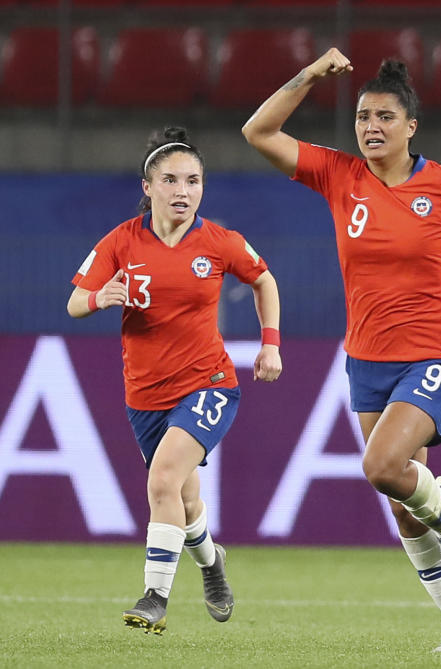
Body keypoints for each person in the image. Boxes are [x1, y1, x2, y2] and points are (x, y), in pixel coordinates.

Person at [242, 50, 441, 652]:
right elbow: (258, 132)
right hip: (366, 359)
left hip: (438, 352)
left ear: (411, 126)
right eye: (363, 116)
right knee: (400, 503)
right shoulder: (339, 175)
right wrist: (310, 75)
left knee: (382, 467)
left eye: (385, 116)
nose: (371, 127)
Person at [67, 126, 283, 634]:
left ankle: (155, 596)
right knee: (184, 500)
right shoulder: (120, 241)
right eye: (170, 180)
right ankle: (212, 564)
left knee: (161, 480)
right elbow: (75, 301)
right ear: (148, 187)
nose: (183, 191)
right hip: (144, 395)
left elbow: (263, 279)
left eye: (193, 181)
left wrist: (270, 342)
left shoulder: (219, 242)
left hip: (208, 383)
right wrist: (101, 297)